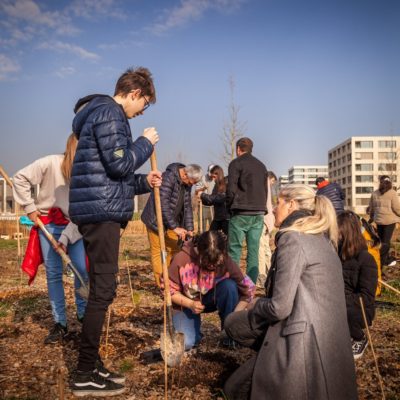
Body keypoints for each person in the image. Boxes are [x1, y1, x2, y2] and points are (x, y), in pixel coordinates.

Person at [68, 67, 161, 397]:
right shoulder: (110, 112)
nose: (141, 112)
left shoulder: (102, 114)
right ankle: (83, 372)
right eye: (145, 104)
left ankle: (91, 365)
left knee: (102, 290)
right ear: (135, 93)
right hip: (102, 217)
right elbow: (120, 164)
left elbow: (115, 177)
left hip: (101, 210)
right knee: (103, 292)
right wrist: (145, 144)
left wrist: (143, 183)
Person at [223, 184, 358, 400]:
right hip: (331, 344)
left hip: (304, 345)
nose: (273, 209)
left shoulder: (292, 239)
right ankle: (268, 361)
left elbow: (279, 307)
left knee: (234, 387)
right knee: (235, 326)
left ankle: (276, 369)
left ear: (292, 204)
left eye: (278, 203)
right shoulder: (323, 239)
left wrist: (255, 304)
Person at [13, 133, 88, 344]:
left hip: (75, 226)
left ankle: (83, 316)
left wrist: (65, 238)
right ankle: (60, 323)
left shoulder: (85, 175)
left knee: (81, 269)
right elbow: (20, 178)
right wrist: (29, 208)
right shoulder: (50, 163)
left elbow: (82, 212)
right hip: (47, 224)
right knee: (54, 274)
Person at [168, 230, 255, 350]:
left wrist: (233, 318)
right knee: (187, 342)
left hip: (211, 298)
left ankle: (229, 334)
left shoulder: (225, 259)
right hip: (186, 304)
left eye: (216, 263)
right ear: (199, 251)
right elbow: (169, 292)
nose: (212, 266)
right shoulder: (181, 259)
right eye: (207, 262)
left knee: (229, 286)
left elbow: (248, 288)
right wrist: (190, 304)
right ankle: (194, 334)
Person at [141, 163, 203, 286]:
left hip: (173, 223)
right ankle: (162, 285)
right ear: (185, 175)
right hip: (155, 220)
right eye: (191, 182)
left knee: (175, 248)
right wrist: (174, 228)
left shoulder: (186, 184)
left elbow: (187, 206)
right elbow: (163, 205)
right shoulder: (168, 178)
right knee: (158, 252)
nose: (192, 185)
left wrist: (189, 228)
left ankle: (171, 278)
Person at [226, 137, 268, 284]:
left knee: (234, 251)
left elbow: (230, 190)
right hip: (258, 212)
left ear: (238, 149)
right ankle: (250, 286)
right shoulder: (262, 166)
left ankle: (233, 284)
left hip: (240, 212)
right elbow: (265, 189)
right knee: (253, 251)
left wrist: (229, 207)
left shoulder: (235, 164)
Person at [337, 211, 378, 360]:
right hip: (339, 302)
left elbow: (366, 298)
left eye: (339, 233)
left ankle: (359, 337)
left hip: (359, 309)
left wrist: (340, 301)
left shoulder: (366, 260)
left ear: (348, 233)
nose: (336, 237)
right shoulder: (337, 255)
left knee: (342, 309)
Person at [368, 175, 400, 267]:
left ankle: (382, 258)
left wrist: (371, 218)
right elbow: (396, 208)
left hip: (379, 221)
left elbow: (372, 208)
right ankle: (382, 261)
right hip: (389, 221)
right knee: (386, 242)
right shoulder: (392, 193)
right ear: (390, 182)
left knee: (381, 241)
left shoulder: (374, 193)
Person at [257, 171, 277, 287]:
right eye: (272, 181)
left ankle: (262, 274)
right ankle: (269, 271)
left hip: (263, 221)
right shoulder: (266, 185)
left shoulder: (264, 186)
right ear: (270, 178)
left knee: (261, 248)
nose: (272, 184)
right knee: (265, 248)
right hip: (266, 220)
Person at [199, 165, 229, 235]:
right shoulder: (216, 185)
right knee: (210, 236)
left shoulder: (227, 182)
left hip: (227, 218)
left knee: (228, 240)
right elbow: (212, 200)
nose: (213, 179)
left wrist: (203, 195)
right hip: (217, 217)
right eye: (212, 177)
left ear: (219, 174)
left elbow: (220, 198)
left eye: (214, 177)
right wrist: (203, 198)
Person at [196, 164, 216, 230]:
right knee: (202, 227)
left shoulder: (216, 179)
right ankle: (201, 238)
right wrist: (203, 188)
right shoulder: (202, 178)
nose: (212, 177)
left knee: (213, 227)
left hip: (213, 206)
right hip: (203, 206)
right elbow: (196, 191)